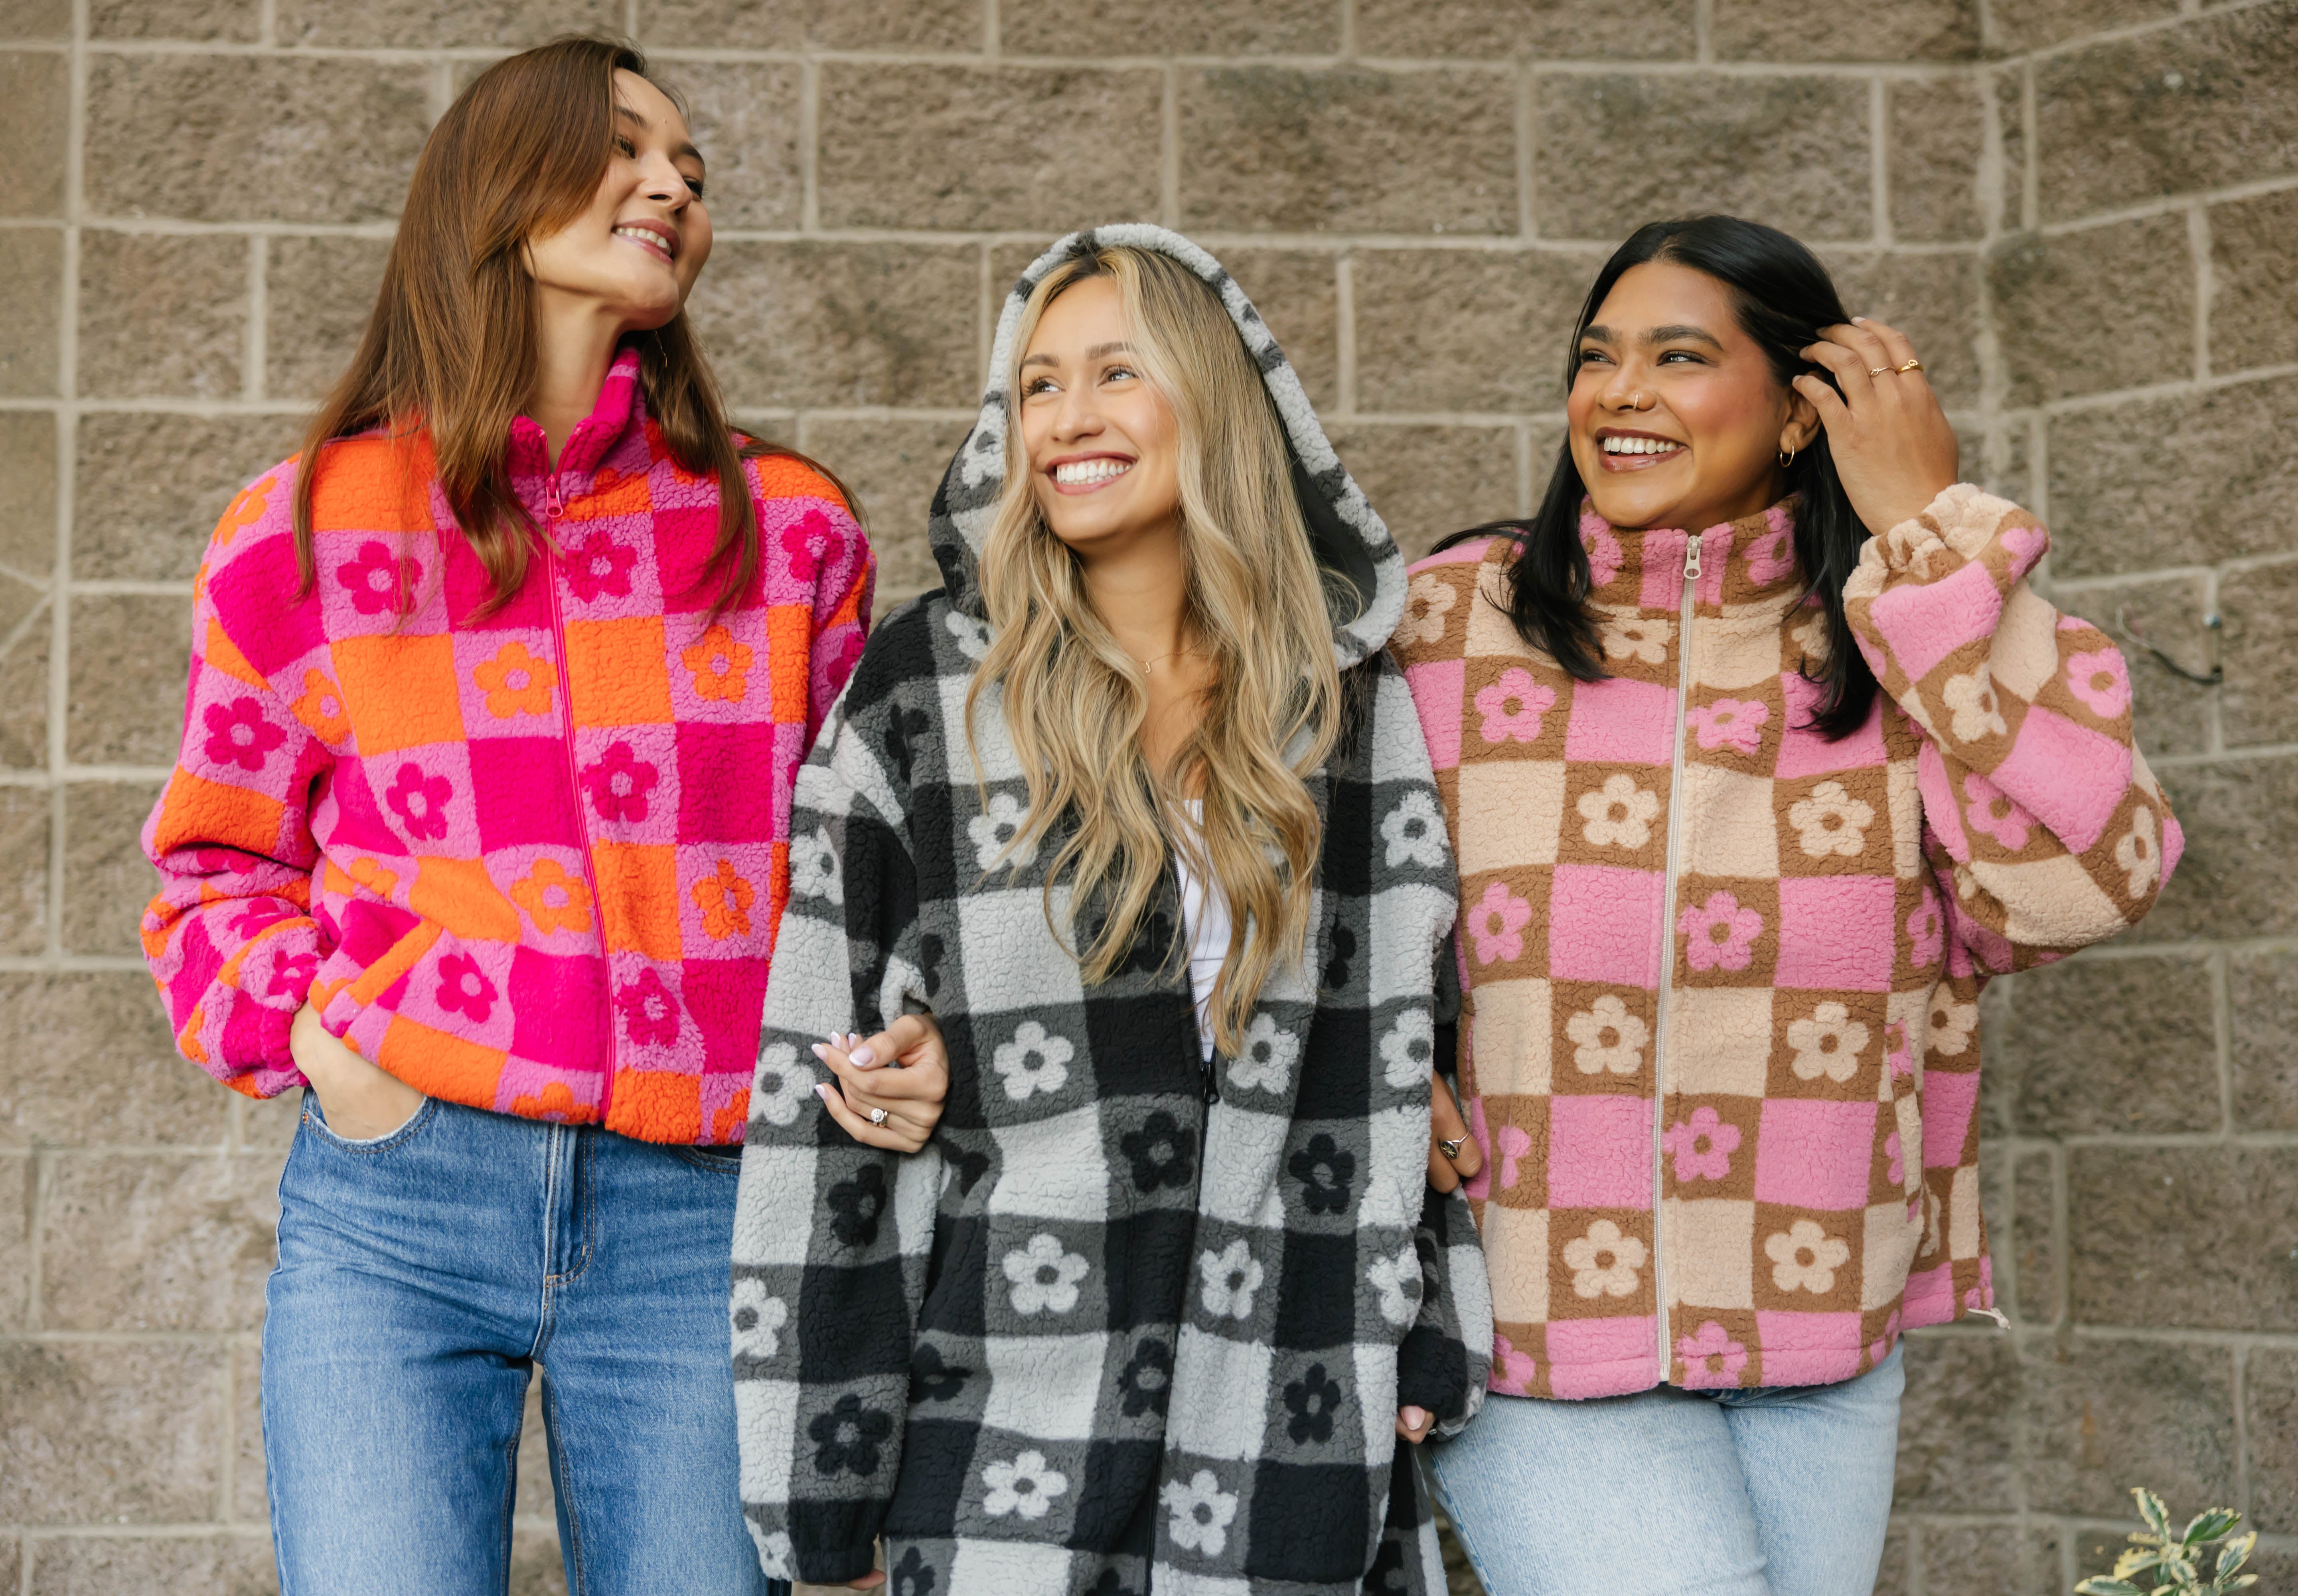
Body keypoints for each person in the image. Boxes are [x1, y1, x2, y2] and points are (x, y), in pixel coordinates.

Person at [137, 36, 937, 1596]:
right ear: (500, 186)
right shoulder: (303, 528)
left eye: (691, 169)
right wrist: (331, 1050)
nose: (672, 185)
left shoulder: (789, 533)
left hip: (703, 1206)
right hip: (400, 1191)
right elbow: (216, 868)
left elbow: (869, 876)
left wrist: (901, 1032)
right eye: (625, 147)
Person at [1388, 214, 2182, 1595]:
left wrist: (1930, 542)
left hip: (1823, 1334)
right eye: (1597, 357)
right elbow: (1292, 886)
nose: (1620, 393)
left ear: (1804, 412)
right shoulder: (1453, 627)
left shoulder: (1902, 642)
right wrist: (1385, 1071)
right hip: (1529, 1322)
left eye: (1678, 357)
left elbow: (2086, 883)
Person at [728, 228, 1491, 1596]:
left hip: (1289, 1434)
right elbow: (821, 1106)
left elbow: (1402, 1069)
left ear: (1214, 400)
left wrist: (1432, 1331)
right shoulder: (929, 694)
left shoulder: (1341, 705)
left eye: (1117, 374)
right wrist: (821, 1518)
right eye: (1037, 386)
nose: (1067, 419)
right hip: (1002, 1438)